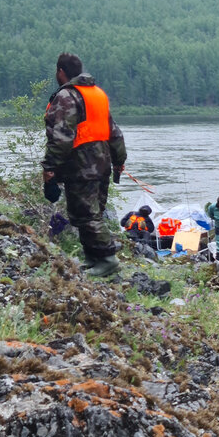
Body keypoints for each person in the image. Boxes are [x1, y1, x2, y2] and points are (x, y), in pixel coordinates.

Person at [41, 53, 127, 278]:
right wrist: (119, 161)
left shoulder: (67, 96)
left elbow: (61, 136)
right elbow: (114, 131)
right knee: (87, 213)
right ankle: (92, 258)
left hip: (81, 165)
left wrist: (49, 167)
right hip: (103, 163)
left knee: (88, 216)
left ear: (61, 72)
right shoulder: (97, 95)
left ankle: (107, 259)